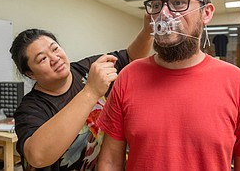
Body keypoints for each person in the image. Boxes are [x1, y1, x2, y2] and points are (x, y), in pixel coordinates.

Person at [96, 0, 240, 170]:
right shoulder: (128, 76)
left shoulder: (237, 83)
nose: (164, 14)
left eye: (178, 3)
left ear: (206, 13)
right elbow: (110, 161)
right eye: (156, 5)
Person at [9, 14, 153, 171]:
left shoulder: (86, 69)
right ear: (30, 73)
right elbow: (37, 156)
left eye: (55, 49)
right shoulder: (31, 108)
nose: (54, 58)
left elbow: (130, 57)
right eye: (42, 59)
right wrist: (90, 91)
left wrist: (148, 31)